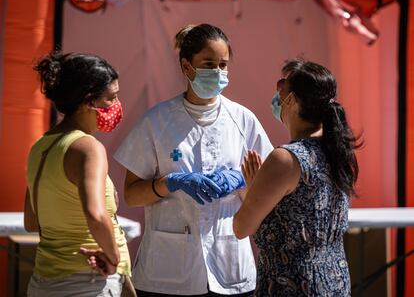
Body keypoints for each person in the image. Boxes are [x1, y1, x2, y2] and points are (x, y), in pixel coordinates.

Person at [114, 23, 274, 296]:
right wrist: (171, 183)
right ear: (186, 67)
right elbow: (131, 194)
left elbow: (267, 193)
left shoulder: (243, 120)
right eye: (209, 64)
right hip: (167, 272)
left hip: (230, 267)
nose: (218, 72)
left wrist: (242, 180)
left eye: (223, 65)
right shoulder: (157, 121)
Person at [234, 58, 361, 296]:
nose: (277, 97)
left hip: (293, 284)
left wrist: (251, 191)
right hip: (334, 280)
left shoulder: (285, 159)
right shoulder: (338, 151)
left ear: (291, 100)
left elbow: (241, 227)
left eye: (281, 88)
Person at [24, 51, 131, 296]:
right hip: (88, 282)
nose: (115, 106)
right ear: (88, 100)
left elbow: (31, 221)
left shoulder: (40, 147)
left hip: (44, 280)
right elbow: (95, 214)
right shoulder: (88, 147)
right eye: (111, 98)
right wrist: (113, 259)